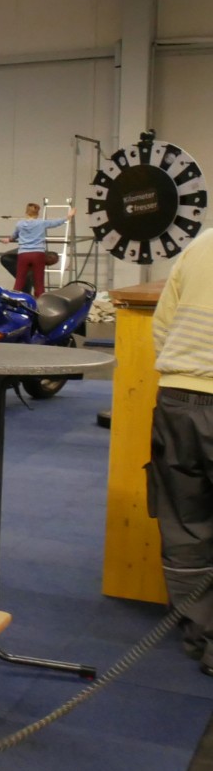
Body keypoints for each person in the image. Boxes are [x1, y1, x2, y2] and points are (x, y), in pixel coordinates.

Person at [148, 227, 213, 676]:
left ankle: (201, 637)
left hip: (177, 398)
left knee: (186, 525)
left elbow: (163, 324)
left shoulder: (203, 243)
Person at [3, 203, 74, 298]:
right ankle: (40, 302)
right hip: (38, 254)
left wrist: (8, 239)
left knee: (19, 280)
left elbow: (14, 236)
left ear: (26, 213)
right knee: (39, 282)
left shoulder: (20, 224)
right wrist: (68, 216)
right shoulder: (41, 223)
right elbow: (56, 222)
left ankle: (14, 299)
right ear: (37, 214)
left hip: (24, 254)